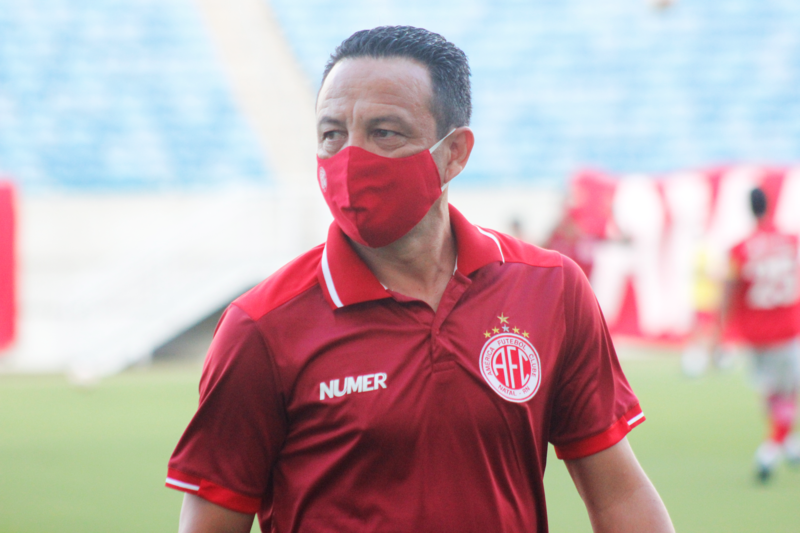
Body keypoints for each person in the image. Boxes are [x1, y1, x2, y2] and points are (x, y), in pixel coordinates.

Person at [165, 26, 674, 532]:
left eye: (384, 132)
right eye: (332, 134)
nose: (350, 157)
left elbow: (620, 498)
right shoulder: (260, 328)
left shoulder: (550, 289)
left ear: (454, 154)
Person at [718, 187, 800, 482]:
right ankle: (771, 449)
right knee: (787, 391)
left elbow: (729, 289)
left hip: (755, 333)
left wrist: (722, 329)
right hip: (787, 328)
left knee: (772, 391)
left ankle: (785, 444)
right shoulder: (791, 241)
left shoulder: (739, 249)